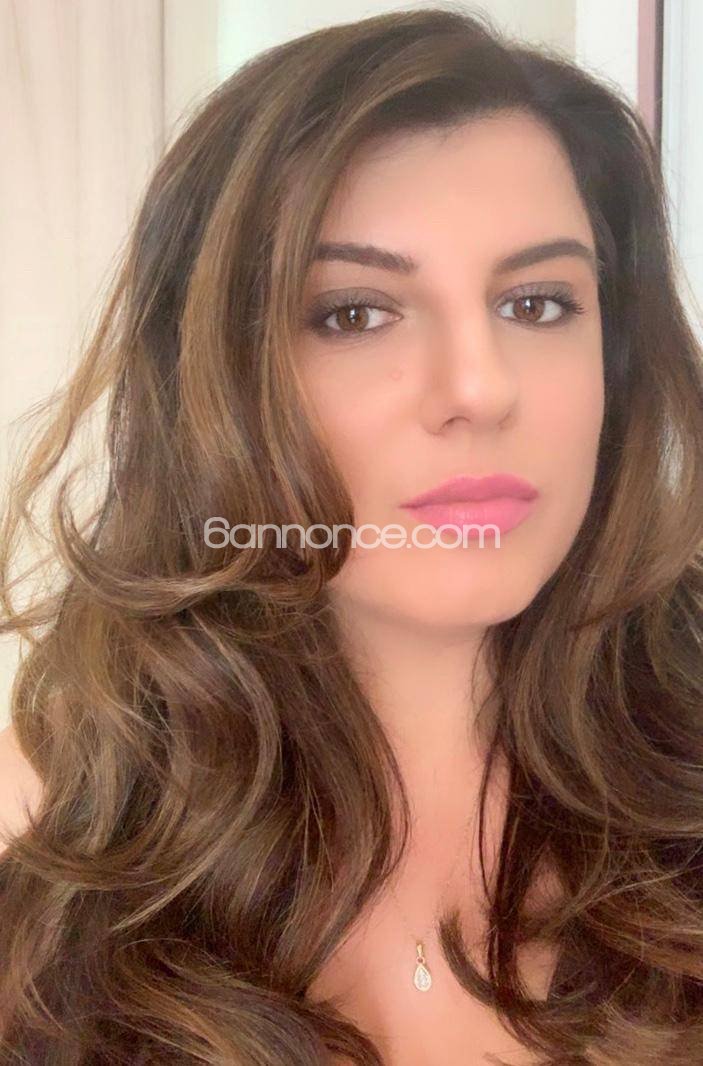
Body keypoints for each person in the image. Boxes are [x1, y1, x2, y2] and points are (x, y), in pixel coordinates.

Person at [1, 6, 702, 1064]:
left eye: (536, 303)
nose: (479, 388)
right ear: (215, 379)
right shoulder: (52, 839)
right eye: (355, 314)